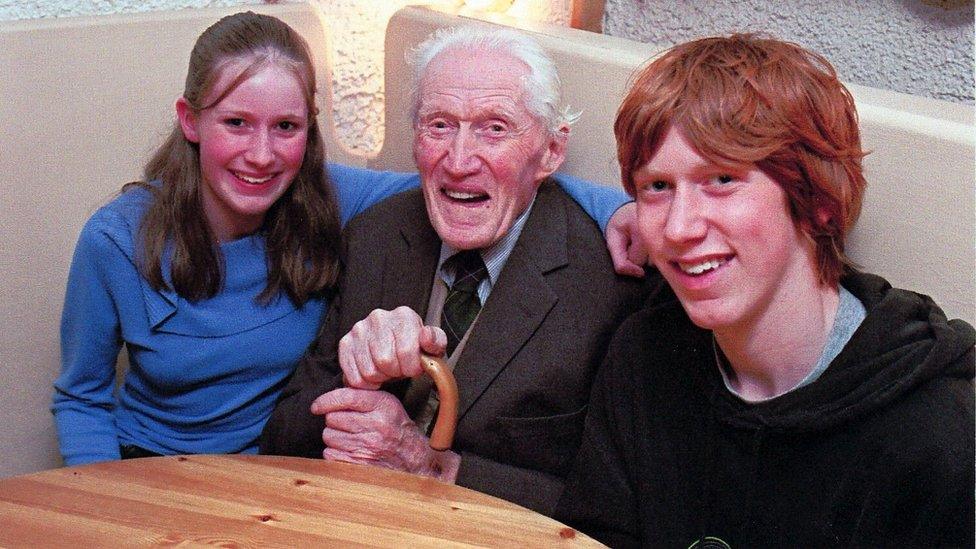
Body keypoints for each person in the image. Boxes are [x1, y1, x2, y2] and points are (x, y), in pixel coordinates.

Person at [51, 12, 638, 466]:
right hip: (151, 466)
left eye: (286, 127)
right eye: (235, 123)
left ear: (310, 131)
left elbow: (463, 180)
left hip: (275, 483)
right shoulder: (116, 240)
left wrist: (628, 210)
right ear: (189, 121)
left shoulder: (330, 201)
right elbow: (82, 399)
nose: (261, 155)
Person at [556, 34, 975, 547]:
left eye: (722, 179)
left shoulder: (942, 428)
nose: (680, 226)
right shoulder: (642, 359)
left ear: (816, 200)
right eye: (657, 187)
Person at [259, 26, 656, 515]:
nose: (460, 161)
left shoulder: (611, 282)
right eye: (440, 125)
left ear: (551, 151)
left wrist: (434, 468)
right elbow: (281, 439)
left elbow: (616, 509)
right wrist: (357, 379)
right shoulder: (376, 236)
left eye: (495, 128)